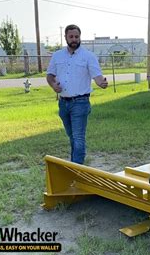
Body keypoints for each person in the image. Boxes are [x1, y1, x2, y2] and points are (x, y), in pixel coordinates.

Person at [46, 24, 108, 164]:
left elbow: (97, 75)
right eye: (71, 36)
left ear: (80, 37)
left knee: (78, 137)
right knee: (72, 136)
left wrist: (101, 82)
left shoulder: (88, 56)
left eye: (76, 37)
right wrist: (53, 85)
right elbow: (50, 75)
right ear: (66, 37)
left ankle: (76, 169)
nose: (74, 39)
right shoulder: (57, 55)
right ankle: (75, 164)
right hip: (63, 103)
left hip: (80, 102)